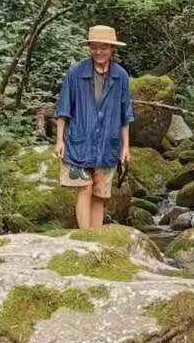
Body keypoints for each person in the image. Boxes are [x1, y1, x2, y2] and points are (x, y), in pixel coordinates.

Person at [53, 25, 135, 229]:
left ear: (112, 49)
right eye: (94, 47)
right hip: (79, 141)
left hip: (108, 142)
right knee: (84, 187)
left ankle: (97, 238)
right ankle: (85, 237)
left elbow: (125, 115)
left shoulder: (121, 76)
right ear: (89, 48)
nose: (99, 52)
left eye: (104, 48)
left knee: (100, 193)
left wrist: (126, 147)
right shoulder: (76, 72)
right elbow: (63, 108)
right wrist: (59, 140)